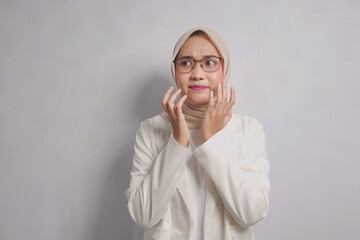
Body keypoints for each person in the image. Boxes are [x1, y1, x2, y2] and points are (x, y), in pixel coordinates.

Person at [125, 27, 270, 240]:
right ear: (175, 71)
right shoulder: (150, 130)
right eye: (186, 63)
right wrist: (177, 142)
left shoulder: (249, 130)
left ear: (224, 68)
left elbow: (251, 212)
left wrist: (212, 138)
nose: (197, 74)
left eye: (209, 63)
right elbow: (143, 215)